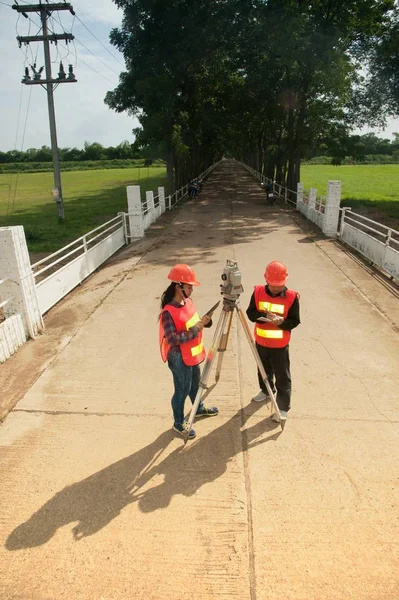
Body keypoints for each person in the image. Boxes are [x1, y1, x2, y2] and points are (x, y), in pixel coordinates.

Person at [159, 264, 219, 439]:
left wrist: (205, 322)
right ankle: (178, 423)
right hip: (178, 358)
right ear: (178, 286)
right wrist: (196, 328)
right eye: (189, 286)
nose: (192, 289)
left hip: (192, 354)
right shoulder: (168, 312)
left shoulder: (189, 302)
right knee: (182, 390)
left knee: (195, 384)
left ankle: (198, 408)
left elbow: (194, 322)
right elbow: (173, 339)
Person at [246, 261, 300, 423]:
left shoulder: (292, 297)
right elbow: (251, 313)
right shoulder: (257, 292)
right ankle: (266, 390)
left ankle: (283, 407)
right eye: (273, 285)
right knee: (263, 370)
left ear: (285, 281)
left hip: (279, 346)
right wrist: (265, 316)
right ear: (266, 279)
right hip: (261, 342)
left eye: (279, 285)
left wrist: (281, 323)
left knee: (283, 376)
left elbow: (294, 321)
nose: (276, 288)